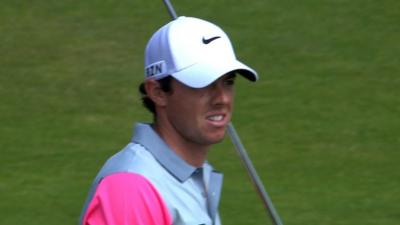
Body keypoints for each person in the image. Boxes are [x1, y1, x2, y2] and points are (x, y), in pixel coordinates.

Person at [79, 16, 258, 225]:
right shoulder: (131, 187)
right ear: (157, 92)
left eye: (228, 82)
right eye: (203, 83)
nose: (223, 99)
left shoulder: (197, 174)